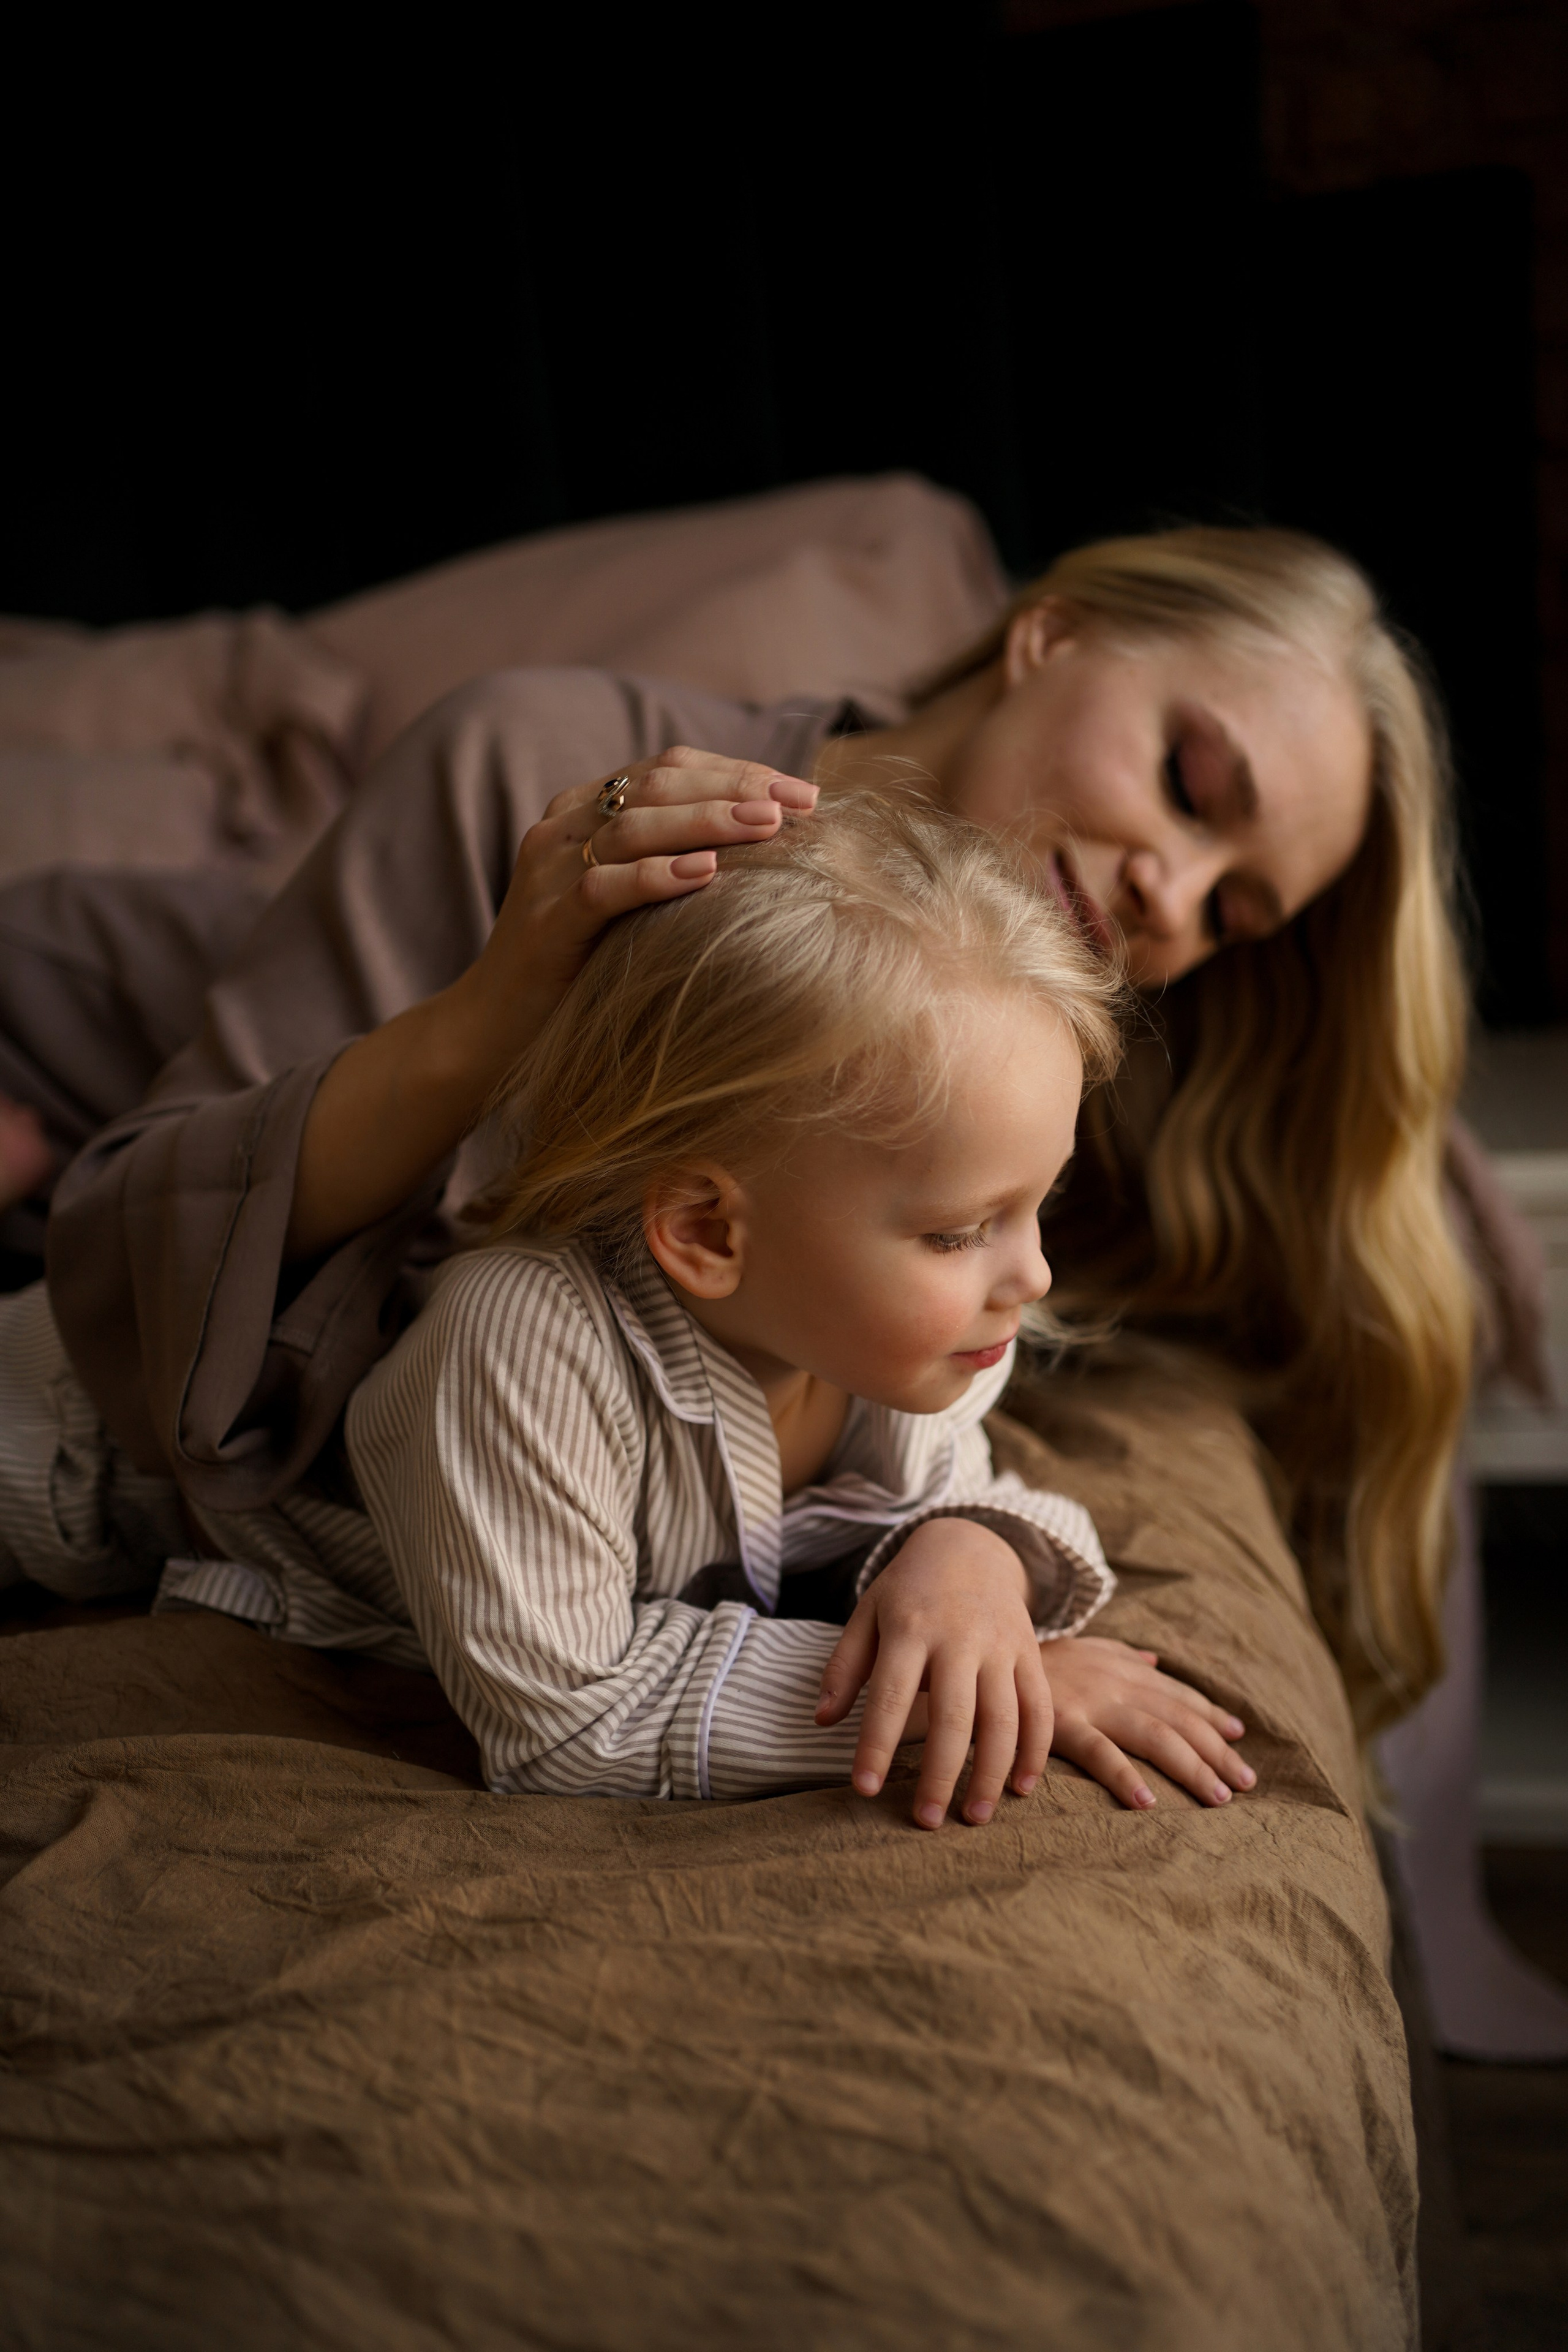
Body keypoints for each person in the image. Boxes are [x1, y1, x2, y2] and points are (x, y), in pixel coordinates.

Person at [0, 525, 1469, 1763]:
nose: (1174, 894)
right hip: (64, 1016)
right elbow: (142, 1266)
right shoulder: (546, 775)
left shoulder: (1058, 1048)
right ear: (1051, 635)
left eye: (1231, 913)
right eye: (1192, 788)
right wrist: (489, 1014)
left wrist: (969, 1561)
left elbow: (926, 1438)